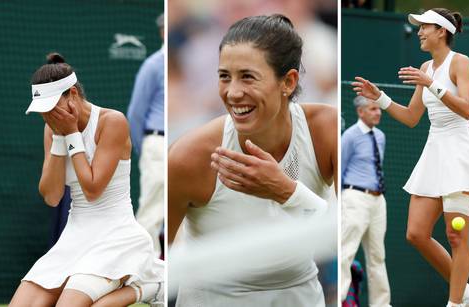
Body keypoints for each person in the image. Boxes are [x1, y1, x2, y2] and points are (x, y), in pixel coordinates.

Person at [168, 14, 337, 306]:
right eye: (224, 76)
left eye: (247, 76)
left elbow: (346, 239)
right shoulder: (189, 156)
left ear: (288, 81)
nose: (232, 93)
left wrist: (285, 191)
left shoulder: (327, 131)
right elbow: (154, 260)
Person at [352, 8, 469, 307]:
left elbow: (467, 108)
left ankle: (455, 302)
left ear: (441, 31)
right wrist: (380, 98)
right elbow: (412, 117)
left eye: (424, 27)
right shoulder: (425, 67)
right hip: (434, 153)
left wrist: (432, 85)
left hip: (460, 156)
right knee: (416, 233)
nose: (419, 31)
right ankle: (467, 293)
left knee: (456, 237)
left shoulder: (461, 63)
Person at [9, 53, 164, 307]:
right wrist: (60, 137)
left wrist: (70, 133)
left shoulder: (112, 122)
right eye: (41, 110)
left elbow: (92, 189)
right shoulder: (51, 129)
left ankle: (148, 287)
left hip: (117, 237)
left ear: (71, 94)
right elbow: (52, 196)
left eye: (50, 107)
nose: (46, 115)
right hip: (75, 235)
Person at [340, 96, 391, 306]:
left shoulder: (380, 136)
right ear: (360, 112)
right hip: (354, 198)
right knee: (346, 250)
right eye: (372, 109)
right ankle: (339, 299)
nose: (378, 113)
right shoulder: (349, 136)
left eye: (378, 109)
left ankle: (381, 303)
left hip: (378, 200)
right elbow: (340, 167)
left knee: (378, 256)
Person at [127, 13, 165, 257]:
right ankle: (144, 272)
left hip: (173, 143)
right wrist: (147, 149)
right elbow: (135, 114)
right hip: (157, 144)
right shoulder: (153, 65)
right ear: (162, 31)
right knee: (151, 211)